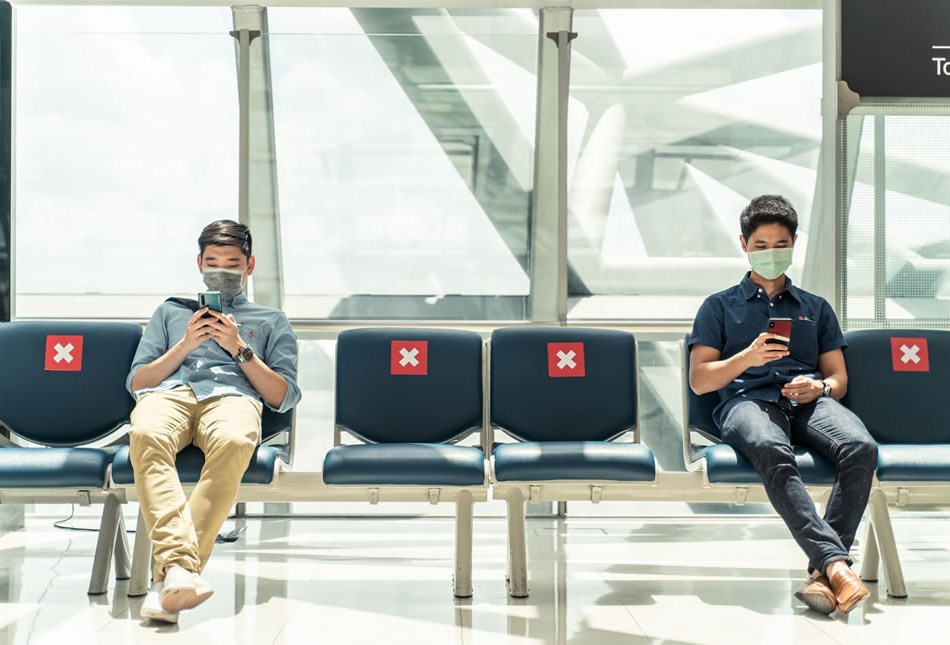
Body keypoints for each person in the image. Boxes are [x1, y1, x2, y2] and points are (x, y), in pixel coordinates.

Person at [688, 195, 877, 615]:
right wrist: (746, 358)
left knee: (861, 447)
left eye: (779, 245)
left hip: (807, 403)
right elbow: (700, 380)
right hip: (746, 402)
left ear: (793, 244)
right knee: (774, 450)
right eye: (760, 245)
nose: (770, 254)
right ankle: (836, 563)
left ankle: (823, 572)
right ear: (744, 244)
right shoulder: (718, 307)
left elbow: (839, 379)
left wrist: (820, 386)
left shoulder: (815, 308)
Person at [127, 220, 301, 623]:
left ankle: (172, 572)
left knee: (236, 440)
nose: (222, 271)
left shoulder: (271, 320)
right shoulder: (170, 312)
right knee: (146, 432)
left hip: (233, 397)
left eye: (232, 264)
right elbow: (138, 381)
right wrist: (186, 343)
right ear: (199, 263)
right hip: (169, 394)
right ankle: (180, 572)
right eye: (213, 262)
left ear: (250, 266)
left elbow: (282, 396)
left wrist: (238, 348)